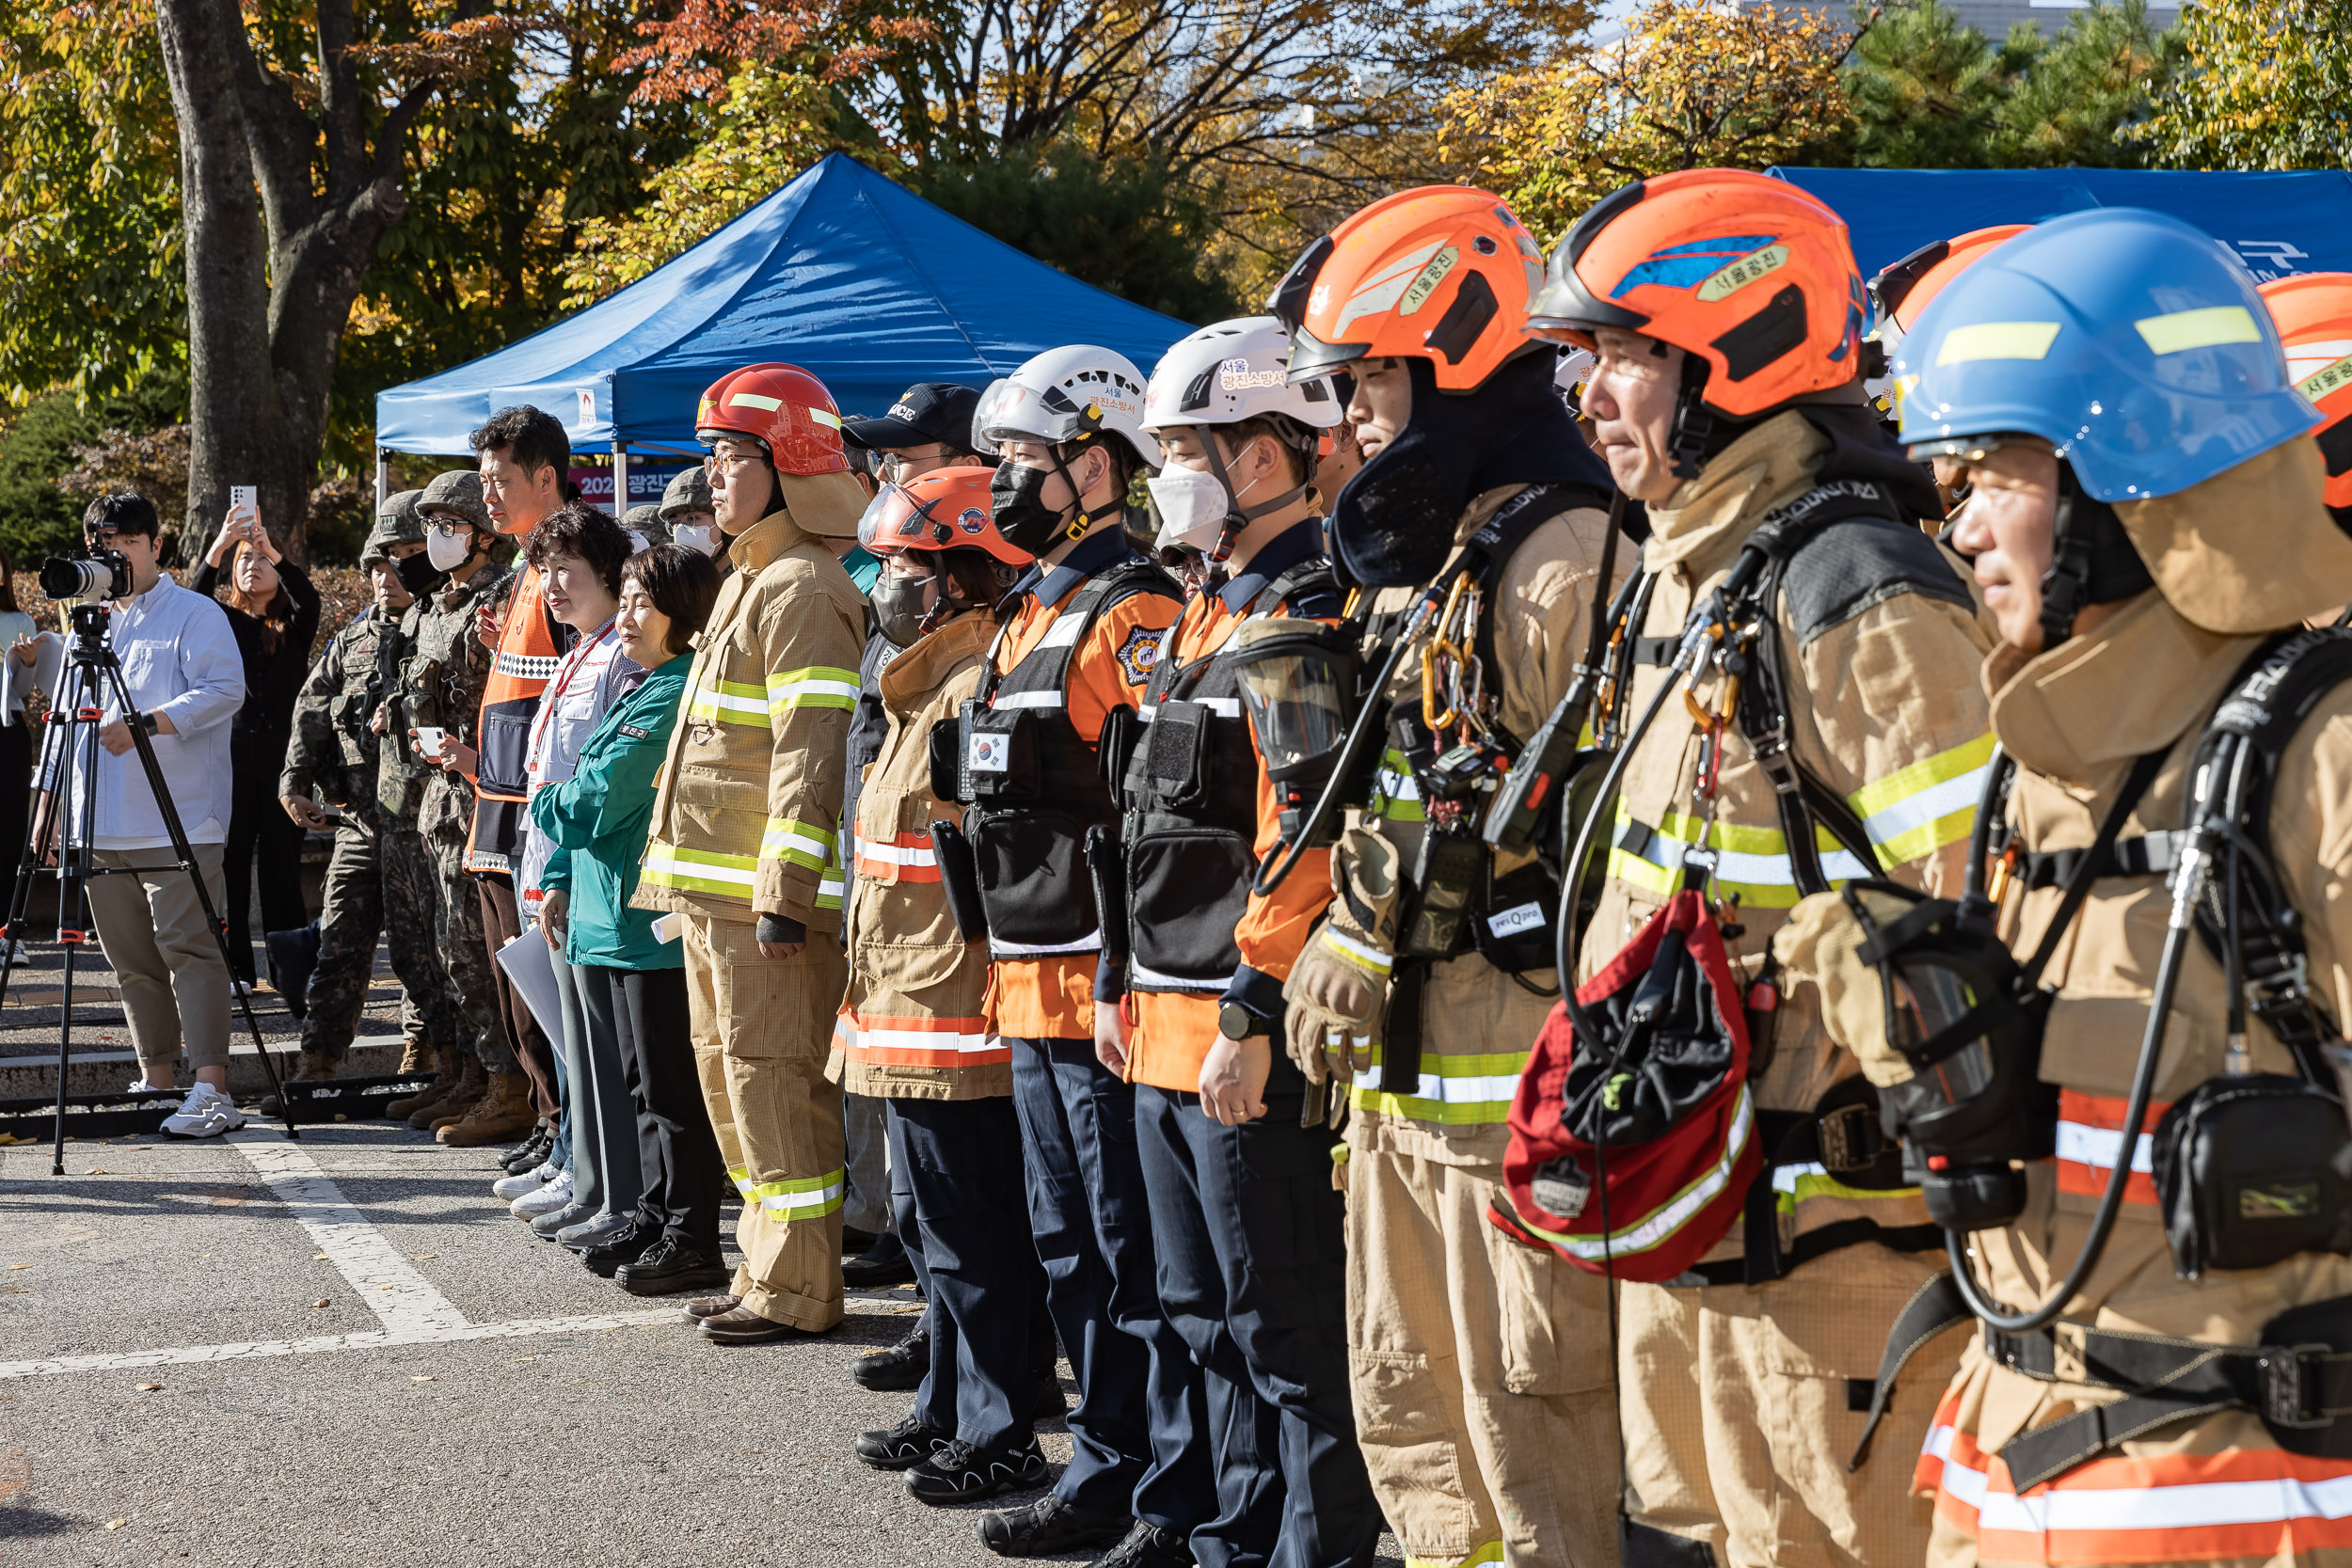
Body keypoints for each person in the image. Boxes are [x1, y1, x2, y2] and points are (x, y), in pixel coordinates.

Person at [1851, 206, 2352, 1568]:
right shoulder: (2045, 763)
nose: (1953, 530)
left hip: (2240, 1509)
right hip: (2019, 1464)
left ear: (2125, 477)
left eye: (1992, 478)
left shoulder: (2322, 748)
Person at [1521, 167, 1993, 1566]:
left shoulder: (1859, 587)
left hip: (1839, 1259)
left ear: (1737, 355)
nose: (1589, 396)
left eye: (1624, 356)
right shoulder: (1698, 573)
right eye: (1586, 363)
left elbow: (1976, 923)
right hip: (1708, 1228)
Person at [1267, 185, 1628, 1568]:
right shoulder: (1461, 560)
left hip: (1517, 1103)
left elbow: (1588, 846)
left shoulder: (1565, 559)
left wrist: (1390, 915)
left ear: (1447, 366)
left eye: (1365, 380)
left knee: (1537, 1454)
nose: (1351, 419)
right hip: (1415, 1094)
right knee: (1421, 1429)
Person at [1104, 316, 1378, 1568]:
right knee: (1203, 1317)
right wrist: (1117, 980)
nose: (1167, 471)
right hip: (1162, 1019)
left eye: (1184, 448)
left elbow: (1304, 838)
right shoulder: (1206, 609)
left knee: (1285, 1329)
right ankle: (1232, 1534)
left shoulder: (1301, 607)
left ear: (1263, 454)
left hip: (1233, 1024)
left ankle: (1312, 1546)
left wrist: (1253, 1011)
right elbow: (1145, 823)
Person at [949, 345, 1207, 1536]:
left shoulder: (1132, 607)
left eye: (1022, 460)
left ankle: (1154, 1478)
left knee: (1128, 1254)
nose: (1002, 480)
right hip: (1025, 978)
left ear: (1094, 466)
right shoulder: (1029, 605)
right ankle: (1104, 1457)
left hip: (1099, 989)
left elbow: (1146, 814)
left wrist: (1112, 977)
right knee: (1070, 1248)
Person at [830, 467, 1065, 1526]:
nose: (891, 589)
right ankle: (947, 1401)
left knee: (978, 1235)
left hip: (957, 1004)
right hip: (905, 993)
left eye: (911, 571)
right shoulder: (925, 680)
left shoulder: (976, 684)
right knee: (939, 1237)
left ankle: (999, 1430)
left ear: (973, 574)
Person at [634, 361, 869, 1346]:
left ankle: (797, 1286)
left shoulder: (802, 587)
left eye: (735, 456)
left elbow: (809, 756)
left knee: (775, 1084)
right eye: (715, 456)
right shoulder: (752, 578)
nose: (716, 475)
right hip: (711, 893)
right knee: (734, 1080)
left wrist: (784, 891)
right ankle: (763, 1265)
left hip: (758, 905)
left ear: (790, 466)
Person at [530, 544, 732, 1294]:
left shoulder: (675, 688)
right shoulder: (644, 685)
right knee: (641, 1085)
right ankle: (654, 1215)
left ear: (684, 614)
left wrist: (546, 800)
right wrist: (558, 846)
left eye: (645, 602)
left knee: (671, 1091)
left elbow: (591, 798)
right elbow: (585, 792)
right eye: (631, 599)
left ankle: (690, 1233)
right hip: (607, 914)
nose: (628, 616)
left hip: (646, 923)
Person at [833, 380, 990, 1296]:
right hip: (887, 893)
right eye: (884, 455)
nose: (888, 468)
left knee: (967, 1170)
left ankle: (969, 1349)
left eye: (909, 453)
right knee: (916, 1142)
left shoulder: (978, 632)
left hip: (951, 943)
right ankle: (921, 1270)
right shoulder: (900, 601)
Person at [40, 493, 245, 1135]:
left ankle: (211, 1086)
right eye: (104, 544)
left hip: (179, 817)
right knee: (130, 961)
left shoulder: (196, 612)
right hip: (100, 820)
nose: (116, 556)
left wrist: (148, 723)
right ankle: (156, 1077)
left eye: (128, 542)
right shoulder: (87, 622)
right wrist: (46, 807)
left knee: (192, 949)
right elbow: (61, 719)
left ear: (156, 545)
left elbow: (223, 691)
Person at [270, 491, 460, 1090]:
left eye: (404, 558)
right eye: (378, 564)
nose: (388, 575)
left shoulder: (441, 630)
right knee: (339, 943)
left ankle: (427, 1054)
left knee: (425, 948)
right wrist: (295, 781)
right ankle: (317, 1062)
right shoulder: (350, 641)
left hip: (425, 822)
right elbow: (311, 708)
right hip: (359, 819)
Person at [512, 503, 644, 1249]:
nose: (554, 583)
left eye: (569, 569)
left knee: (599, 1048)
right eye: (546, 570)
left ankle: (607, 1187)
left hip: (590, 875)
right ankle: (582, 1171)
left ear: (607, 575)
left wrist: (558, 870)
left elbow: (598, 779)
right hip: (552, 871)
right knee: (572, 1045)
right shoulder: (574, 654)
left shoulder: (618, 659)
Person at [389, 469, 534, 1148]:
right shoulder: (436, 602)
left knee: (481, 953)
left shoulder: (506, 595)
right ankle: (469, 1071)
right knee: (446, 951)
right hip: (437, 795)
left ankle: (511, 1086)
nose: (435, 537)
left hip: (484, 788)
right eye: (432, 525)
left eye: (449, 525)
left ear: (481, 533)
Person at [465, 404, 572, 1139]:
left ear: (544, 476)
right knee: (513, 976)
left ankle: (567, 1127)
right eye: (483, 480)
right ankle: (545, 1121)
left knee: (547, 981)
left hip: (537, 805)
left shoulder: (575, 558)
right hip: (495, 798)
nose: (488, 496)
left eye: (501, 479)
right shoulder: (522, 565)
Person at [192, 503, 320, 989]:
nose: (252, 564)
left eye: (261, 559)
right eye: (244, 560)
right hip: (233, 761)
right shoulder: (221, 620)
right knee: (232, 864)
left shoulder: (295, 625)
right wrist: (221, 544)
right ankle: (237, 968)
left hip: (286, 765)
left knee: (282, 868)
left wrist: (271, 549)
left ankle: (291, 973)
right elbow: (195, 597)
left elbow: (308, 598)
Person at [0, 547, 40, 883]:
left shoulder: (19, 622)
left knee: (11, 827)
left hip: (8, 730)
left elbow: (23, 692)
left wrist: (28, 663)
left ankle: (6, 928)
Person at [660, 467, 722, 559]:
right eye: (674, 522)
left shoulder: (747, 569)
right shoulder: (678, 572)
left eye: (692, 518)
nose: (680, 530)